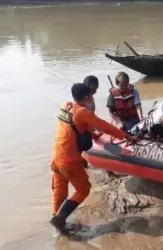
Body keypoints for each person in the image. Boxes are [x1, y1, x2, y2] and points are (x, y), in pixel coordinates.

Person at [50, 83, 136, 236]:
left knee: (60, 190)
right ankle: (60, 219)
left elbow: (75, 126)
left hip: (56, 157)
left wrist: (92, 133)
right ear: (86, 97)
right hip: (70, 160)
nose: (91, 98)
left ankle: (57, 221)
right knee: (83, 189)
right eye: (90, 96)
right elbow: (104, 126)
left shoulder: (67, 106)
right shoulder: (83, 111)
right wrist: (126, 136)